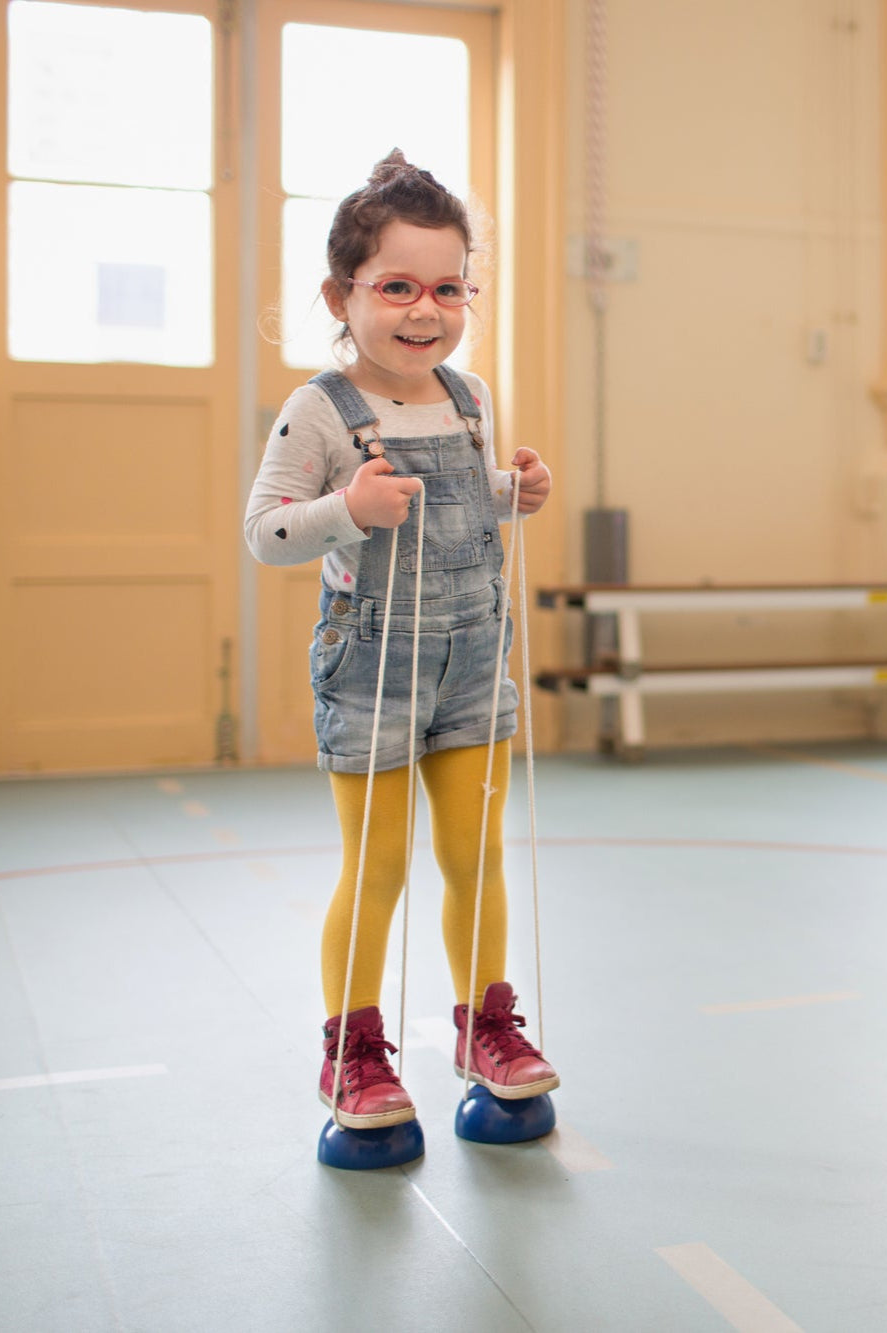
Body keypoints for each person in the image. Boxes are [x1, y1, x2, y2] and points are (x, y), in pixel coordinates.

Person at [244, 150, 559, 1131]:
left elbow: (458, 511)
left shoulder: (469, 397)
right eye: (397, 288)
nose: (425, 311)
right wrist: (348, 505)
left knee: (478, 856)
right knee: (377, 864)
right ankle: (353, 1050)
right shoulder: (318, 409)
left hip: (472, 663)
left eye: (448, 288)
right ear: (343, 295)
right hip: (373, 670)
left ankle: (486, 1026)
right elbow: (266, 533)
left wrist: (516, 494)